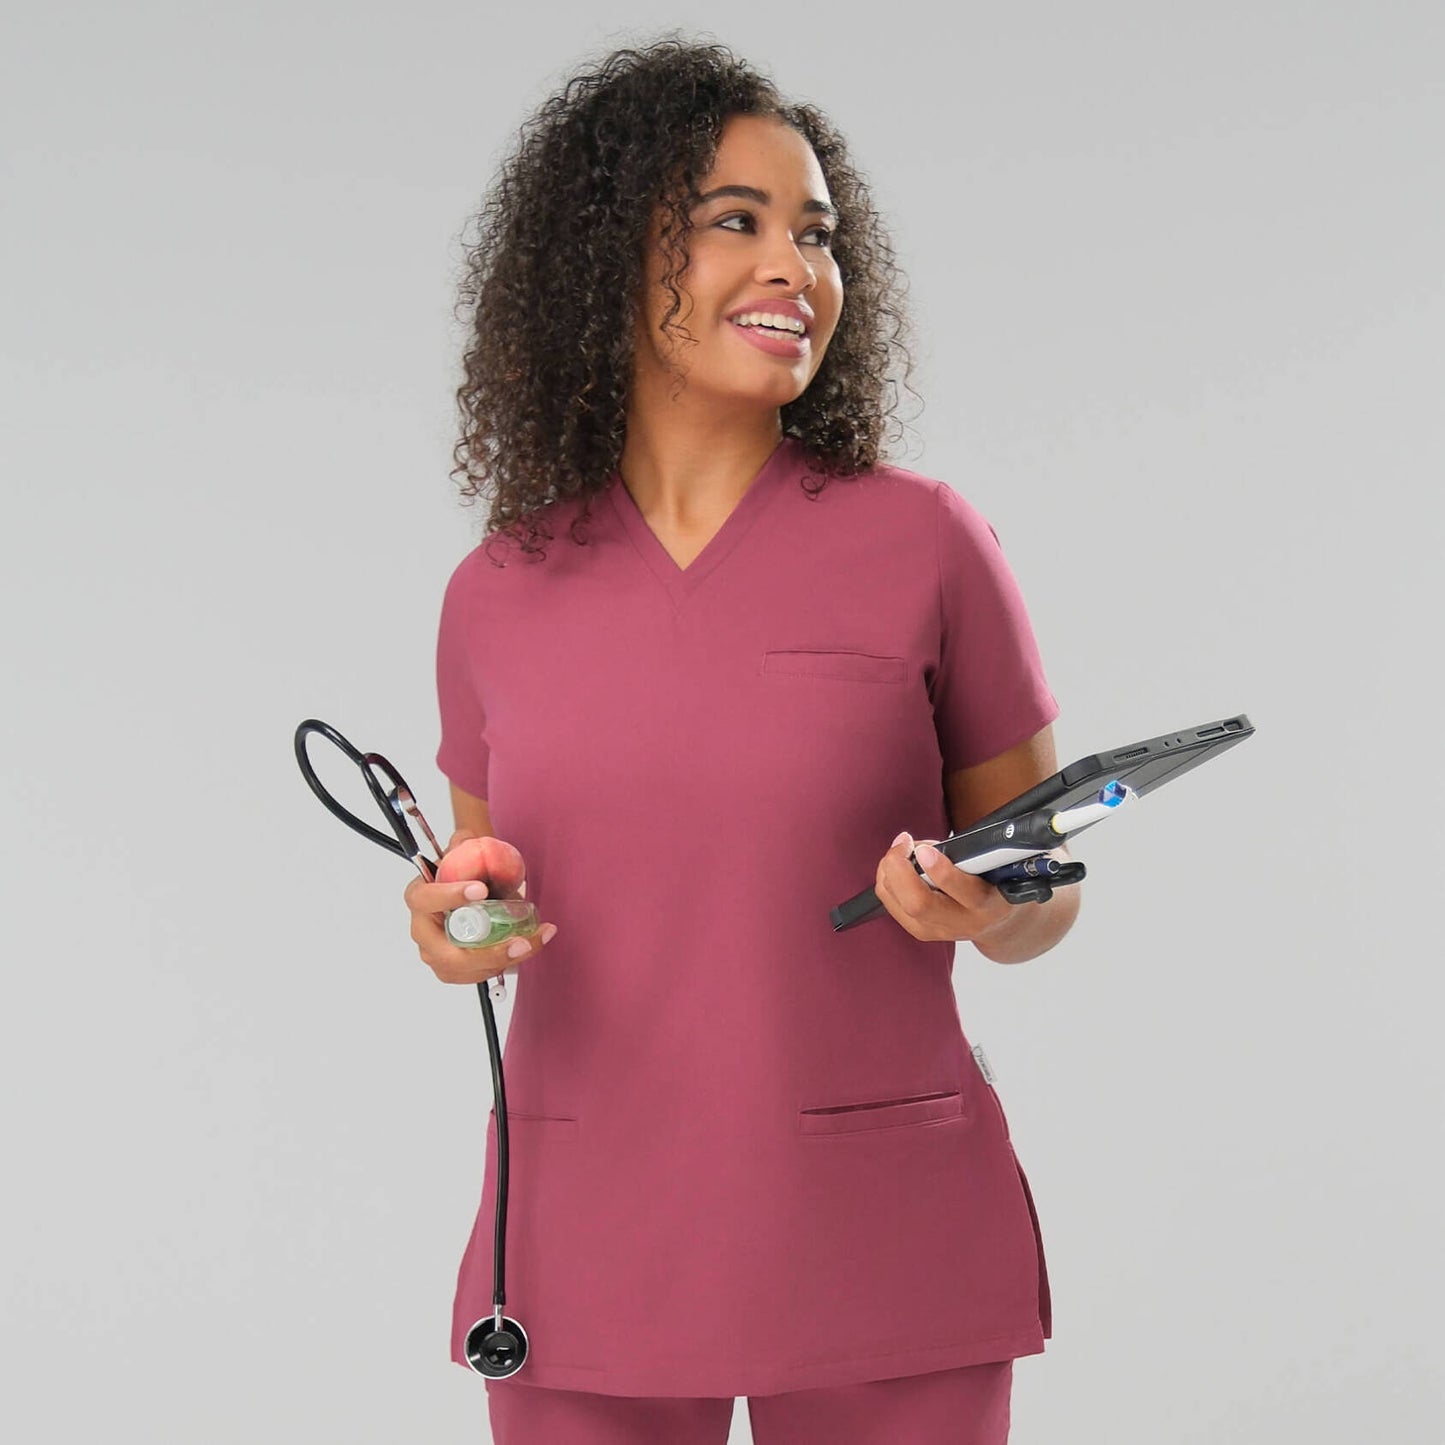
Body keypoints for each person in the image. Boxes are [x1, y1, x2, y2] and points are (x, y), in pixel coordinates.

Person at [404, 35, 1080, 1445]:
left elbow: (1043, 883)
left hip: (878, 1224)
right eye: (736, 223)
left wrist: (986, 904)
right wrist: (458, 925)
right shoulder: (497, 592)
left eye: (817, 234)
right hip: (589, 1235)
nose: (795, 268)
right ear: (605, 256)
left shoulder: (924, 543)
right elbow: (488, 888)